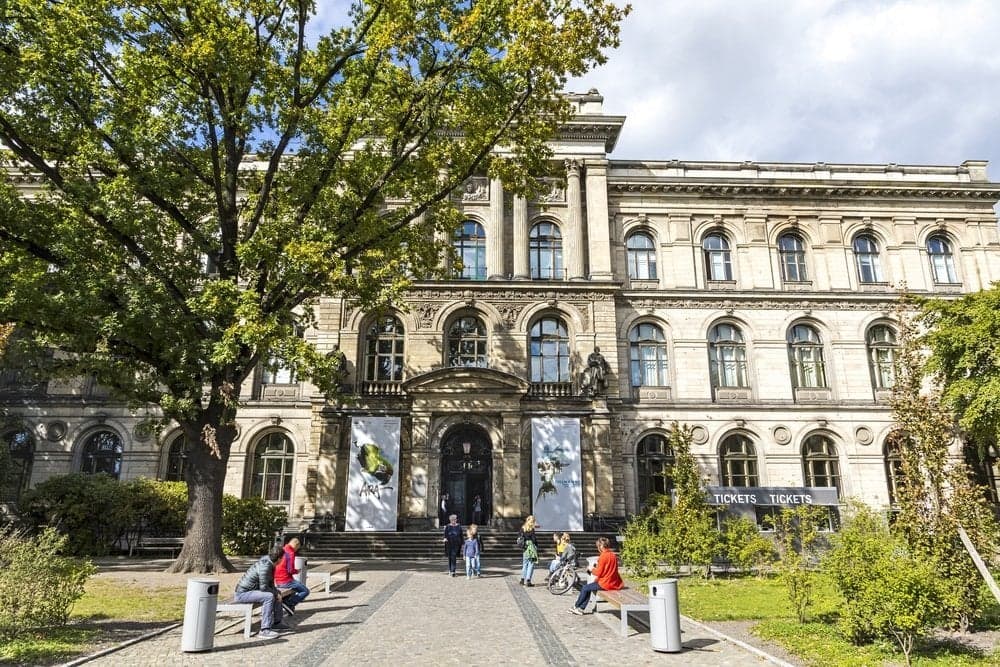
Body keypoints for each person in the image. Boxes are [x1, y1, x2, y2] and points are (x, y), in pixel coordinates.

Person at [234, 544, 293, 639]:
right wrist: (275, 593)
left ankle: (277, 623)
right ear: (279, 559)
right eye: (283, 558)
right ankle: (264, 630)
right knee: (269, 596)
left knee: (276, 593)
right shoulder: (266, 565)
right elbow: (264, 588)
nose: (283, 560)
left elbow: (270, 584)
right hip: (243, 594)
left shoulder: (270, 563)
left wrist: (277, 592)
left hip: (253, 590)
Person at [568, 536, 623, 615]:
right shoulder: (613, 555)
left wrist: (590, 569)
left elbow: (599, 573)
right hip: (613, 582)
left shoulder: (603, 556)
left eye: (598, 546)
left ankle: (576, 606)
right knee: (588, 587)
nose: (597, 548)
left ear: (601, 546)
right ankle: (580, 609)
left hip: (606, 583)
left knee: (585, 588)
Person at [274, 536, 309, 615]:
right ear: (296, 545)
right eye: (297, 548)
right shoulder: (290, 552)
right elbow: (290, 570)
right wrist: (297, 571)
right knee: (305, 591)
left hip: (278, 580)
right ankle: (289, 603)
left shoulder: (282, 550)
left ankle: (288, 604)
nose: (296, 550)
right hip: (286, 580)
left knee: (294, 588)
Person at [518, 515, 539, 586]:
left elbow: (519, 537)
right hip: (531, 547)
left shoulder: (522, 528)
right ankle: (528, 581)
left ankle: (522, 579)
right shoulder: (531, 529)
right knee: (531, 564)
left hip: (525, 547)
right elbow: (534, 540)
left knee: (525, 564)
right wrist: (537, 546)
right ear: (532, 522)